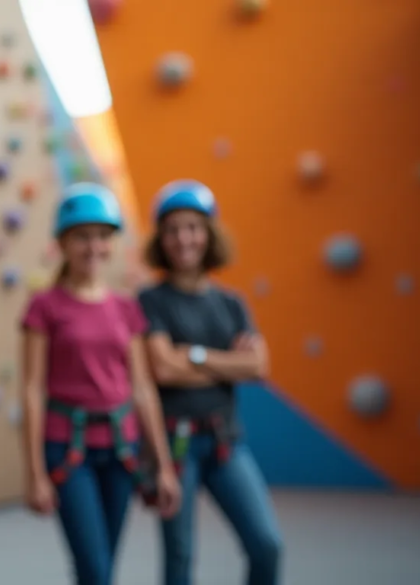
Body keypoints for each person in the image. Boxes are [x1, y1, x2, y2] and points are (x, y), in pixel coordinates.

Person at [20, 183, 181, 585]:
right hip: (68, 448)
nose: (93, 247)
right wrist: (34, 473)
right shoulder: (45, 307)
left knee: (105, 566)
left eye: (103, 237)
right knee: (94, 569)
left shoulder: (126, 308)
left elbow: (142, 388)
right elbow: (32, 389)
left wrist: (163, 465)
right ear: (63, 242)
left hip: (121, 449)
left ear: (114, 242)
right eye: (82, 237)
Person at [138, 179, 284, 585]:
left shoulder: (231, 303)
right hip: (175, 444)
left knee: (266, 544)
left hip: (225, 442)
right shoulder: (151, 301)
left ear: (209, 234)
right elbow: (163, 369)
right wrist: (228, 362)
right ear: (161, 240)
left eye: (193, 227)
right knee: (180, 556)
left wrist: (195, 355)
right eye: (172, 230)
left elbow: (257, 367)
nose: (183, 238)